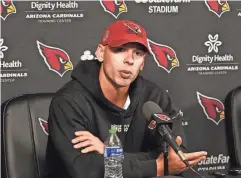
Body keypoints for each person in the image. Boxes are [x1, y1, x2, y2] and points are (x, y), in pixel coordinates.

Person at [45, 20, 207, 178]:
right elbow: (85, 169)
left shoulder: (155, 97)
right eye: (120, 49)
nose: (129, 60)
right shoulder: (68, 102)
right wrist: (155, 167)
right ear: (101, 53)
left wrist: (109, 153)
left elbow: (176, 156)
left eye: (138, 53)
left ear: (142, 63)